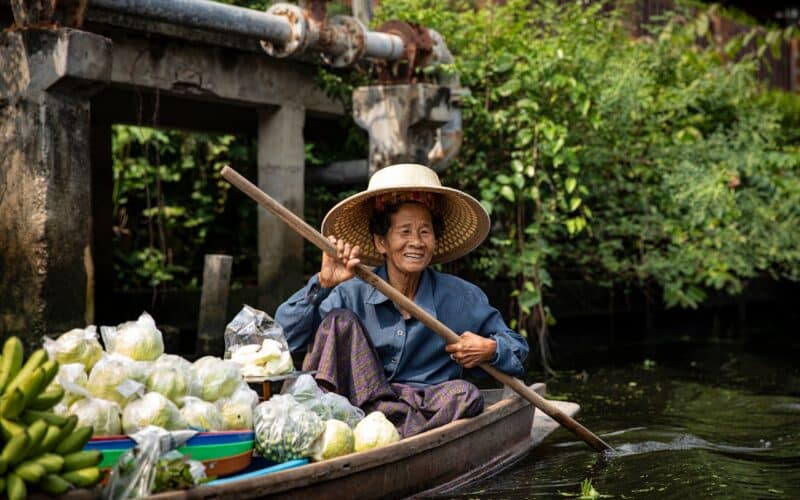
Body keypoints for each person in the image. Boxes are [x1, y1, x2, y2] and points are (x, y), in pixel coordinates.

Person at [275, 163, 528, 437]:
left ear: (435, 240)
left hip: (423, 408)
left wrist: (490, 349)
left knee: (465, 395)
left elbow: (518, 350)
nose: (416, 242)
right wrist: (322, 285)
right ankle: (373, 432)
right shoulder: (349, 291)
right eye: (405, 231)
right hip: (356, 405)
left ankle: (400, 439)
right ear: (381, 242)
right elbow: (282, 340)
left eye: (425, 232)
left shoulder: (461, 297)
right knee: (338, 322)